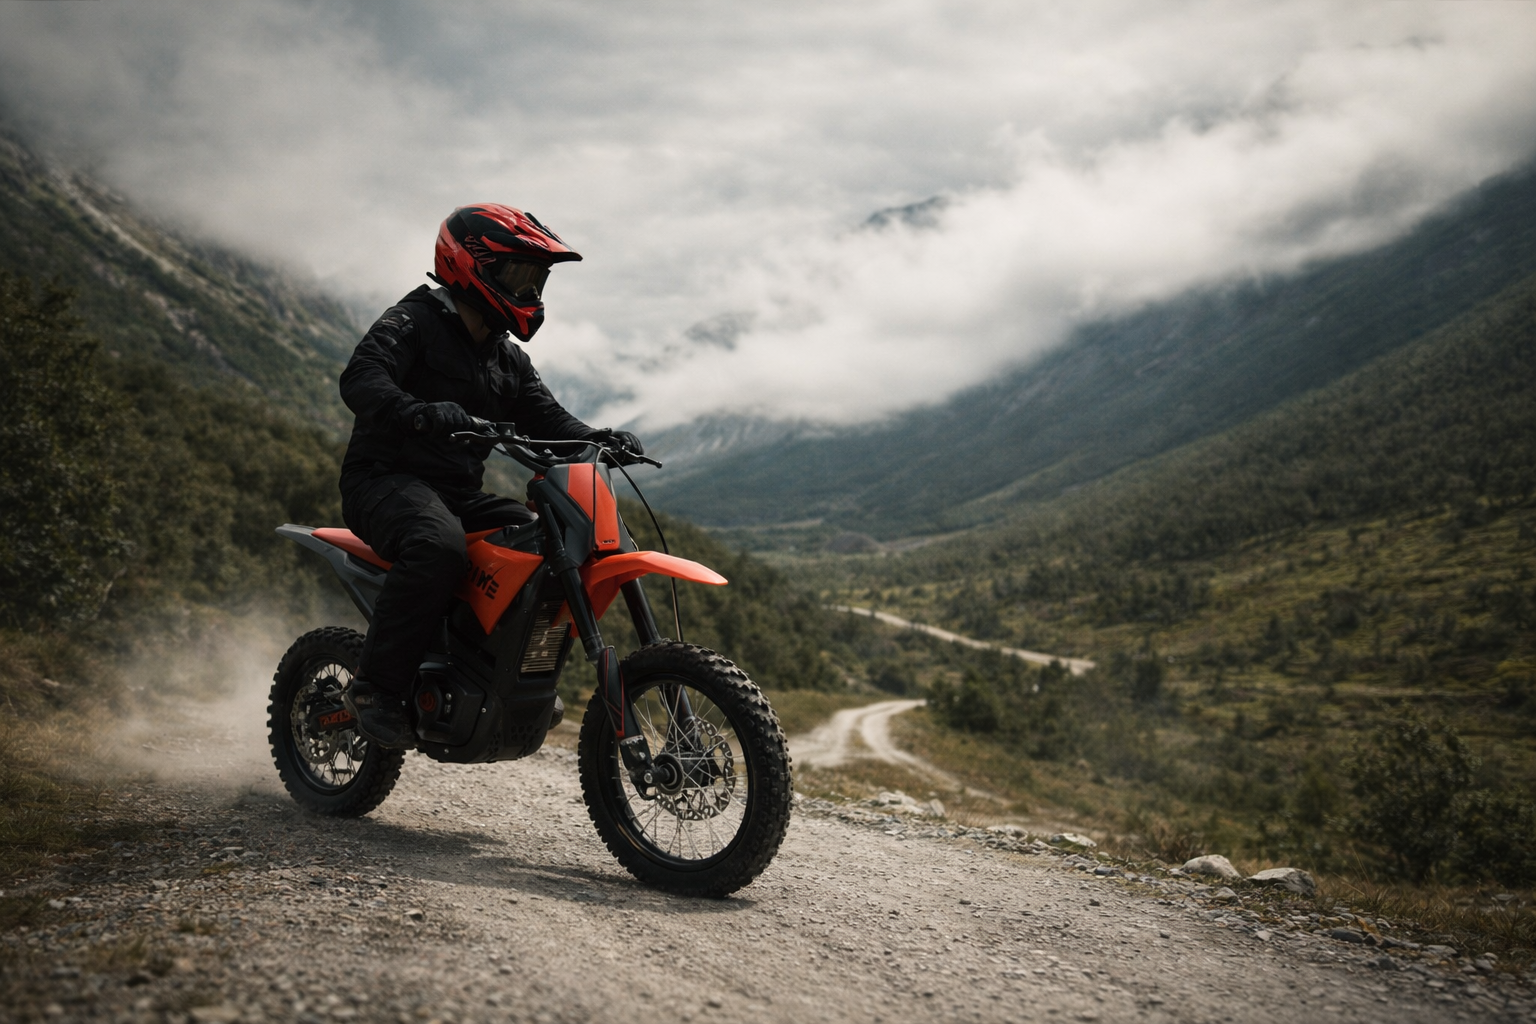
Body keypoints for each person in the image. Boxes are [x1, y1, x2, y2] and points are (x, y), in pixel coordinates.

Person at [337, 204, 640, 748]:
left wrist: (598, 439)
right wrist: (422, 412)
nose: (529, 291)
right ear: (469, 264)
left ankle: (498, 677)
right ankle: (376, 690)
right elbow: (362, 378)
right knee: (437, 545)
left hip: (456, 493)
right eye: (518, 276)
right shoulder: (414, 320)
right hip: (383, 481)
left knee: (541, 543)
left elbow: (549, 420)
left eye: (536, 280)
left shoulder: (505, 357)